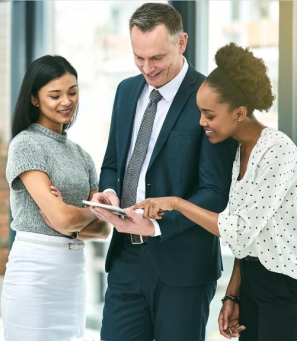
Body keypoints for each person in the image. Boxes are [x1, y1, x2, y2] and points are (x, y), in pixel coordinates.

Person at [131, 43, 297, 341]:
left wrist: (176, 203)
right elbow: (247, 244)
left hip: (286, 288)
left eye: (209, 115)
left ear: (239, 113)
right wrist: (232, 296)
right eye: (200, 112)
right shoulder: (238, 153)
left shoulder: (277, 150)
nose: (201, 122)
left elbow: (240, 231)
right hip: (251, 281)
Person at [88, 3, 238, 340]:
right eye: (138, 57)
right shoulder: (126, 91)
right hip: (125, 258)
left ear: (181, 42)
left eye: (156, 58)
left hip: (183, 266)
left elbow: (215, 191)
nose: (146, 68)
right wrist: (109, 191)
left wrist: (158, 224)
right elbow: (113, 162)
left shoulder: (213, 98)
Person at [0, 55, 110, 341]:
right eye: (55, 95)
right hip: (35, 271)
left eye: (72, 92)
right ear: (34, 99)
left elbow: (103, 228)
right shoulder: (26, 144)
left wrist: (74, 215)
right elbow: (62, 219)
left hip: (73, 273)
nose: (66, 102)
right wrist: (89, 211)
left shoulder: (82, 155)